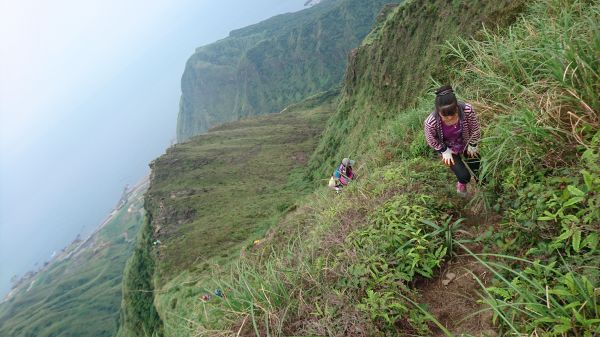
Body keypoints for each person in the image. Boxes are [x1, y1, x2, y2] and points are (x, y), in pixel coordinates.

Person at [424, 85, 481, 196]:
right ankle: (461, 183)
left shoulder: (467, 110)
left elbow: (475, 128)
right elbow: (431, 140)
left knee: (477, 166)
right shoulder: (431, 123)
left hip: (466, 141)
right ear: (438, 110)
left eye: (453, 114)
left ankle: (483, 188)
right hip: (448, 148)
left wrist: (473, 144)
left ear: (456, 107)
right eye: (445, 115)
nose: (449, 118)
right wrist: (444, 150)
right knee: (464, 176)